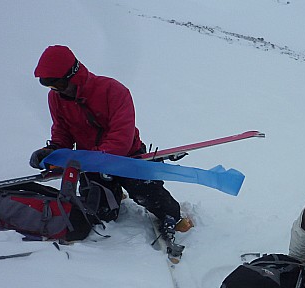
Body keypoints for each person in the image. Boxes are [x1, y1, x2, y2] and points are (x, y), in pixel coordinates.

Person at [30, 45, 192, 238]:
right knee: (102, 214)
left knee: (148, 194)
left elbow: (121, 139)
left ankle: (174, 215)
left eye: (59, 85)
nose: (56, 91)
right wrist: (53, 151)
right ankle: (114, 192)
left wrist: (90, 160)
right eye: (49, 86)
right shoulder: (56, 98)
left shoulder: (113, 91)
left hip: (126, 157)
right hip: (90, 163)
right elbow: (62, 130)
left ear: (72, 75)